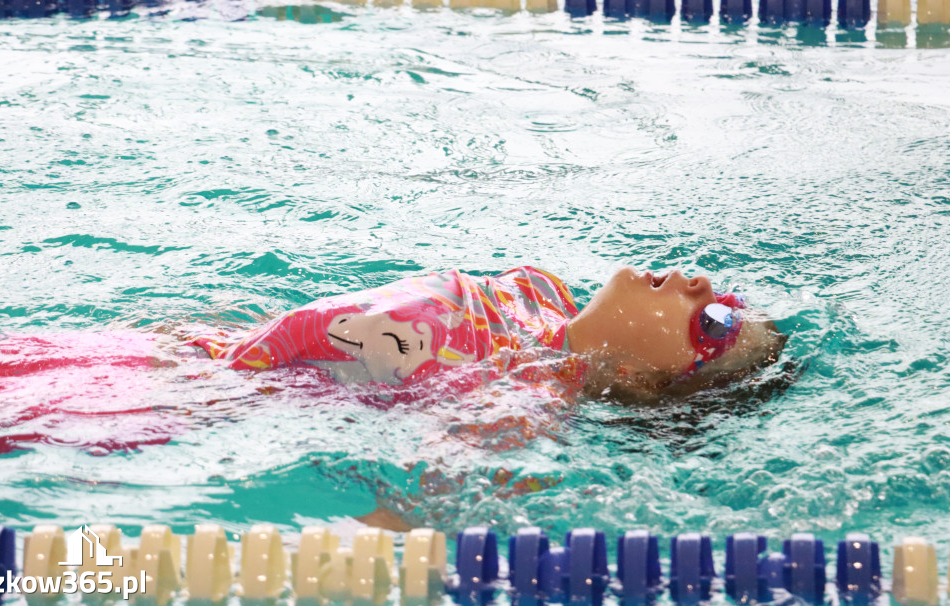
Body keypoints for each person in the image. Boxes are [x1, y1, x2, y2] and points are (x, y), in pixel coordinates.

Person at [187, 265, 787, 404]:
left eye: (717, 324)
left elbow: (427, 505)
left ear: (635, 376)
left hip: (208, 398)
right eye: (728, 300)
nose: (707, 287)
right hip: (197, 346)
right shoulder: (540, 294)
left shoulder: (524, 400)